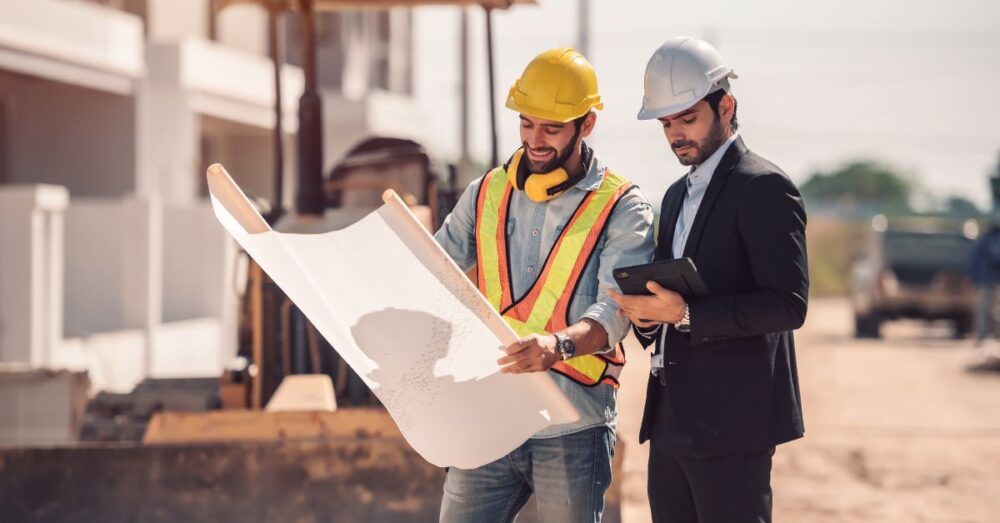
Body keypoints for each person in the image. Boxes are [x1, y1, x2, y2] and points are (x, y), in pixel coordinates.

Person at [433, 47, 655, 522]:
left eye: (551, 129)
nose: (535, 140)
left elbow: (616, 312)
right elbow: (432, 270)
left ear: (586, 124)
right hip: (490, 416)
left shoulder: (622, 207)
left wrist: (559, 346)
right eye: (526, 123)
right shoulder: (486, 192)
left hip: (572, 424)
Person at [609, 36, 808, 523]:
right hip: (670, 420)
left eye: (687, 118)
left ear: (726, 107)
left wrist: (685, 314)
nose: (675, 134)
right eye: (666, 124)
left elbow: (788, 304)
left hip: (735, 426)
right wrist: (648, 317)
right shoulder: (675, 195)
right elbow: (669, 299)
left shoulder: (764, 187)